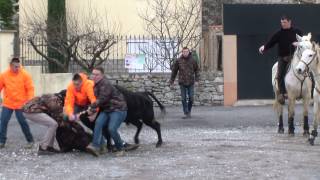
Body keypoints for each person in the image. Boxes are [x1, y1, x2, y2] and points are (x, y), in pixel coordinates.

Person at [86, 67, 138, 157]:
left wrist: (91, 107)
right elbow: (99, 102)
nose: (94, 76)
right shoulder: (96, 85)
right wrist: (92, 110)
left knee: (111, 129)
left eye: (96, 74)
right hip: (107, 109)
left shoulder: (105, 84)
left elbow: (102, 99)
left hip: (118, 109)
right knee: (98, 123)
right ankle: (96, 146)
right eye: (93, 74)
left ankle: (121, 149)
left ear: (102, 75)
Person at [259, 15, 302, 105]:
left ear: (290, 22)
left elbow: (303, 42)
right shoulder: (278, 33)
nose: (283, 24)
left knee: (305, 70)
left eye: (285, 22)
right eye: (282, 22)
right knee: (279, 74)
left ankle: (304, 91)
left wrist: (298, 43)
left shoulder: (297, 31)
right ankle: (281, 94)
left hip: (295, 57)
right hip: (283, 58)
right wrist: (264, 47)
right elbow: (271, 42)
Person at [0, 57, 34, 148]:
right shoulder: (4, 75)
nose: (17, 68)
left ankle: (30, 141)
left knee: (22, 122)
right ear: (10, 66)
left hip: (21, 104)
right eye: (15, 67)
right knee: (3, 121)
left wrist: (30, 100)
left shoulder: (25, 75)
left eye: (18, 66)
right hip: (8, 103)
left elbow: (30, 88)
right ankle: (1, 142)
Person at [170, 47, 200, 119]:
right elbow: (174, 71)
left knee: (191, 98)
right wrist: (172, 81)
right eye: (184, 52)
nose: (185, 53)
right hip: (182, 82)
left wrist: (197, 80)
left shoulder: (193, 60)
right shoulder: (178, 61)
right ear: (182, 52)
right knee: (183, 99)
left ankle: (189, 111)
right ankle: (186, 112)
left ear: (189, 52)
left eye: (186, 52)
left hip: (191, 82)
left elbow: (197, 70)